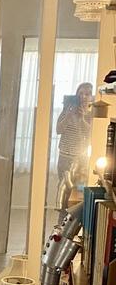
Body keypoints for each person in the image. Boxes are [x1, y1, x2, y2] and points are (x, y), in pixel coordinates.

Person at [55, 82, 93, 221]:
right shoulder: (67, 109)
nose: (83, 96)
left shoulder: (92, 113)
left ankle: (76, 224)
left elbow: (91, 135)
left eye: (87, 94)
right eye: (81, 93)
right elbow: (58, 130)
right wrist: (69, 115)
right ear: (76, 95)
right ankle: (61, 225)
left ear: (91, 97)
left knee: (79, 193)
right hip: (64, 157)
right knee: (64, 192)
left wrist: (82, 118)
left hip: (82, 160)